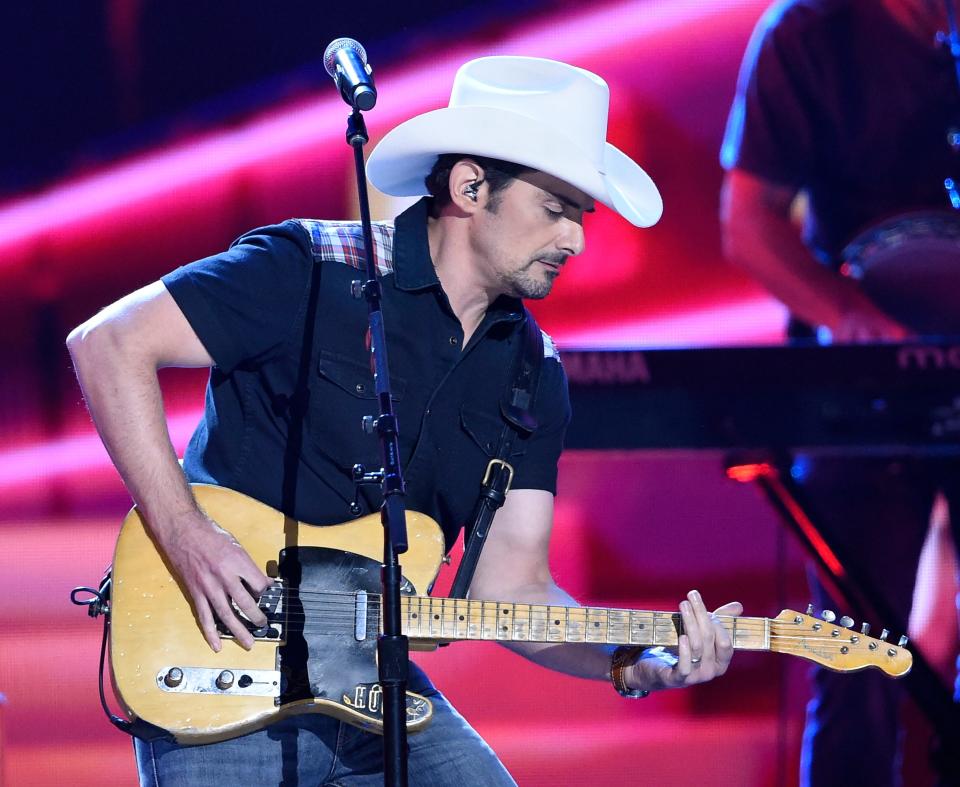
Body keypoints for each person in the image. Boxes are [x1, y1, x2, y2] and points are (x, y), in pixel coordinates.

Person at [68, 56, 742, 786]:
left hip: (372, 684)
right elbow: (108, 344)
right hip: (220, 652)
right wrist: (186, 533)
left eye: (584, 215)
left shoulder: (532, 372)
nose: (576, 239)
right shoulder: (314, 266)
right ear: (469, 187)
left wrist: (634, 663)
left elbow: (510, 588)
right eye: (556, 208)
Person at [720, 1, 960, 785]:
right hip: (861, 387)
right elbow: (749, 220)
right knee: (857, 655)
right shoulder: (810, 33)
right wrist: (858, 321)